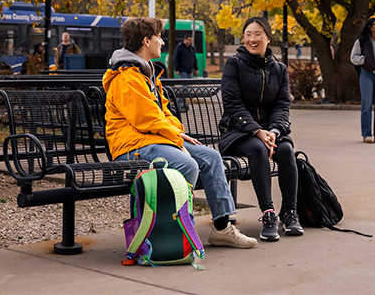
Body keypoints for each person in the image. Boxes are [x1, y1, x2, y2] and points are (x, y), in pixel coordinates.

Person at [102, 17, 257, 249]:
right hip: (132, 146)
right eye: (159, 38)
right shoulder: (126, 77)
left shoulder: (147, 74)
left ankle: (222, 228)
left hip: (154, 140)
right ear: (146, 41)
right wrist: (176, 138)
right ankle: (179, 232)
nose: (162, 43)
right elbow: (145, 119)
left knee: (211, 157)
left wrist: (177, 134)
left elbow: (164, 113)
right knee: (187, 164)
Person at [219, 16, 304, 241]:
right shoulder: (234, 64)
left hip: (271, 132)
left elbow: (282, 105)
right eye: (248, 35)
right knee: (257, 148)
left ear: (267, 38)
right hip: (237, 133)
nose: (252, 39)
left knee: (286, 150)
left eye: (258, 34)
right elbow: (232, 103)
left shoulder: (280, 69)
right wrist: (257, 131)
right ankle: (268, 214)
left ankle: (289, 212)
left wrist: (274, 132)